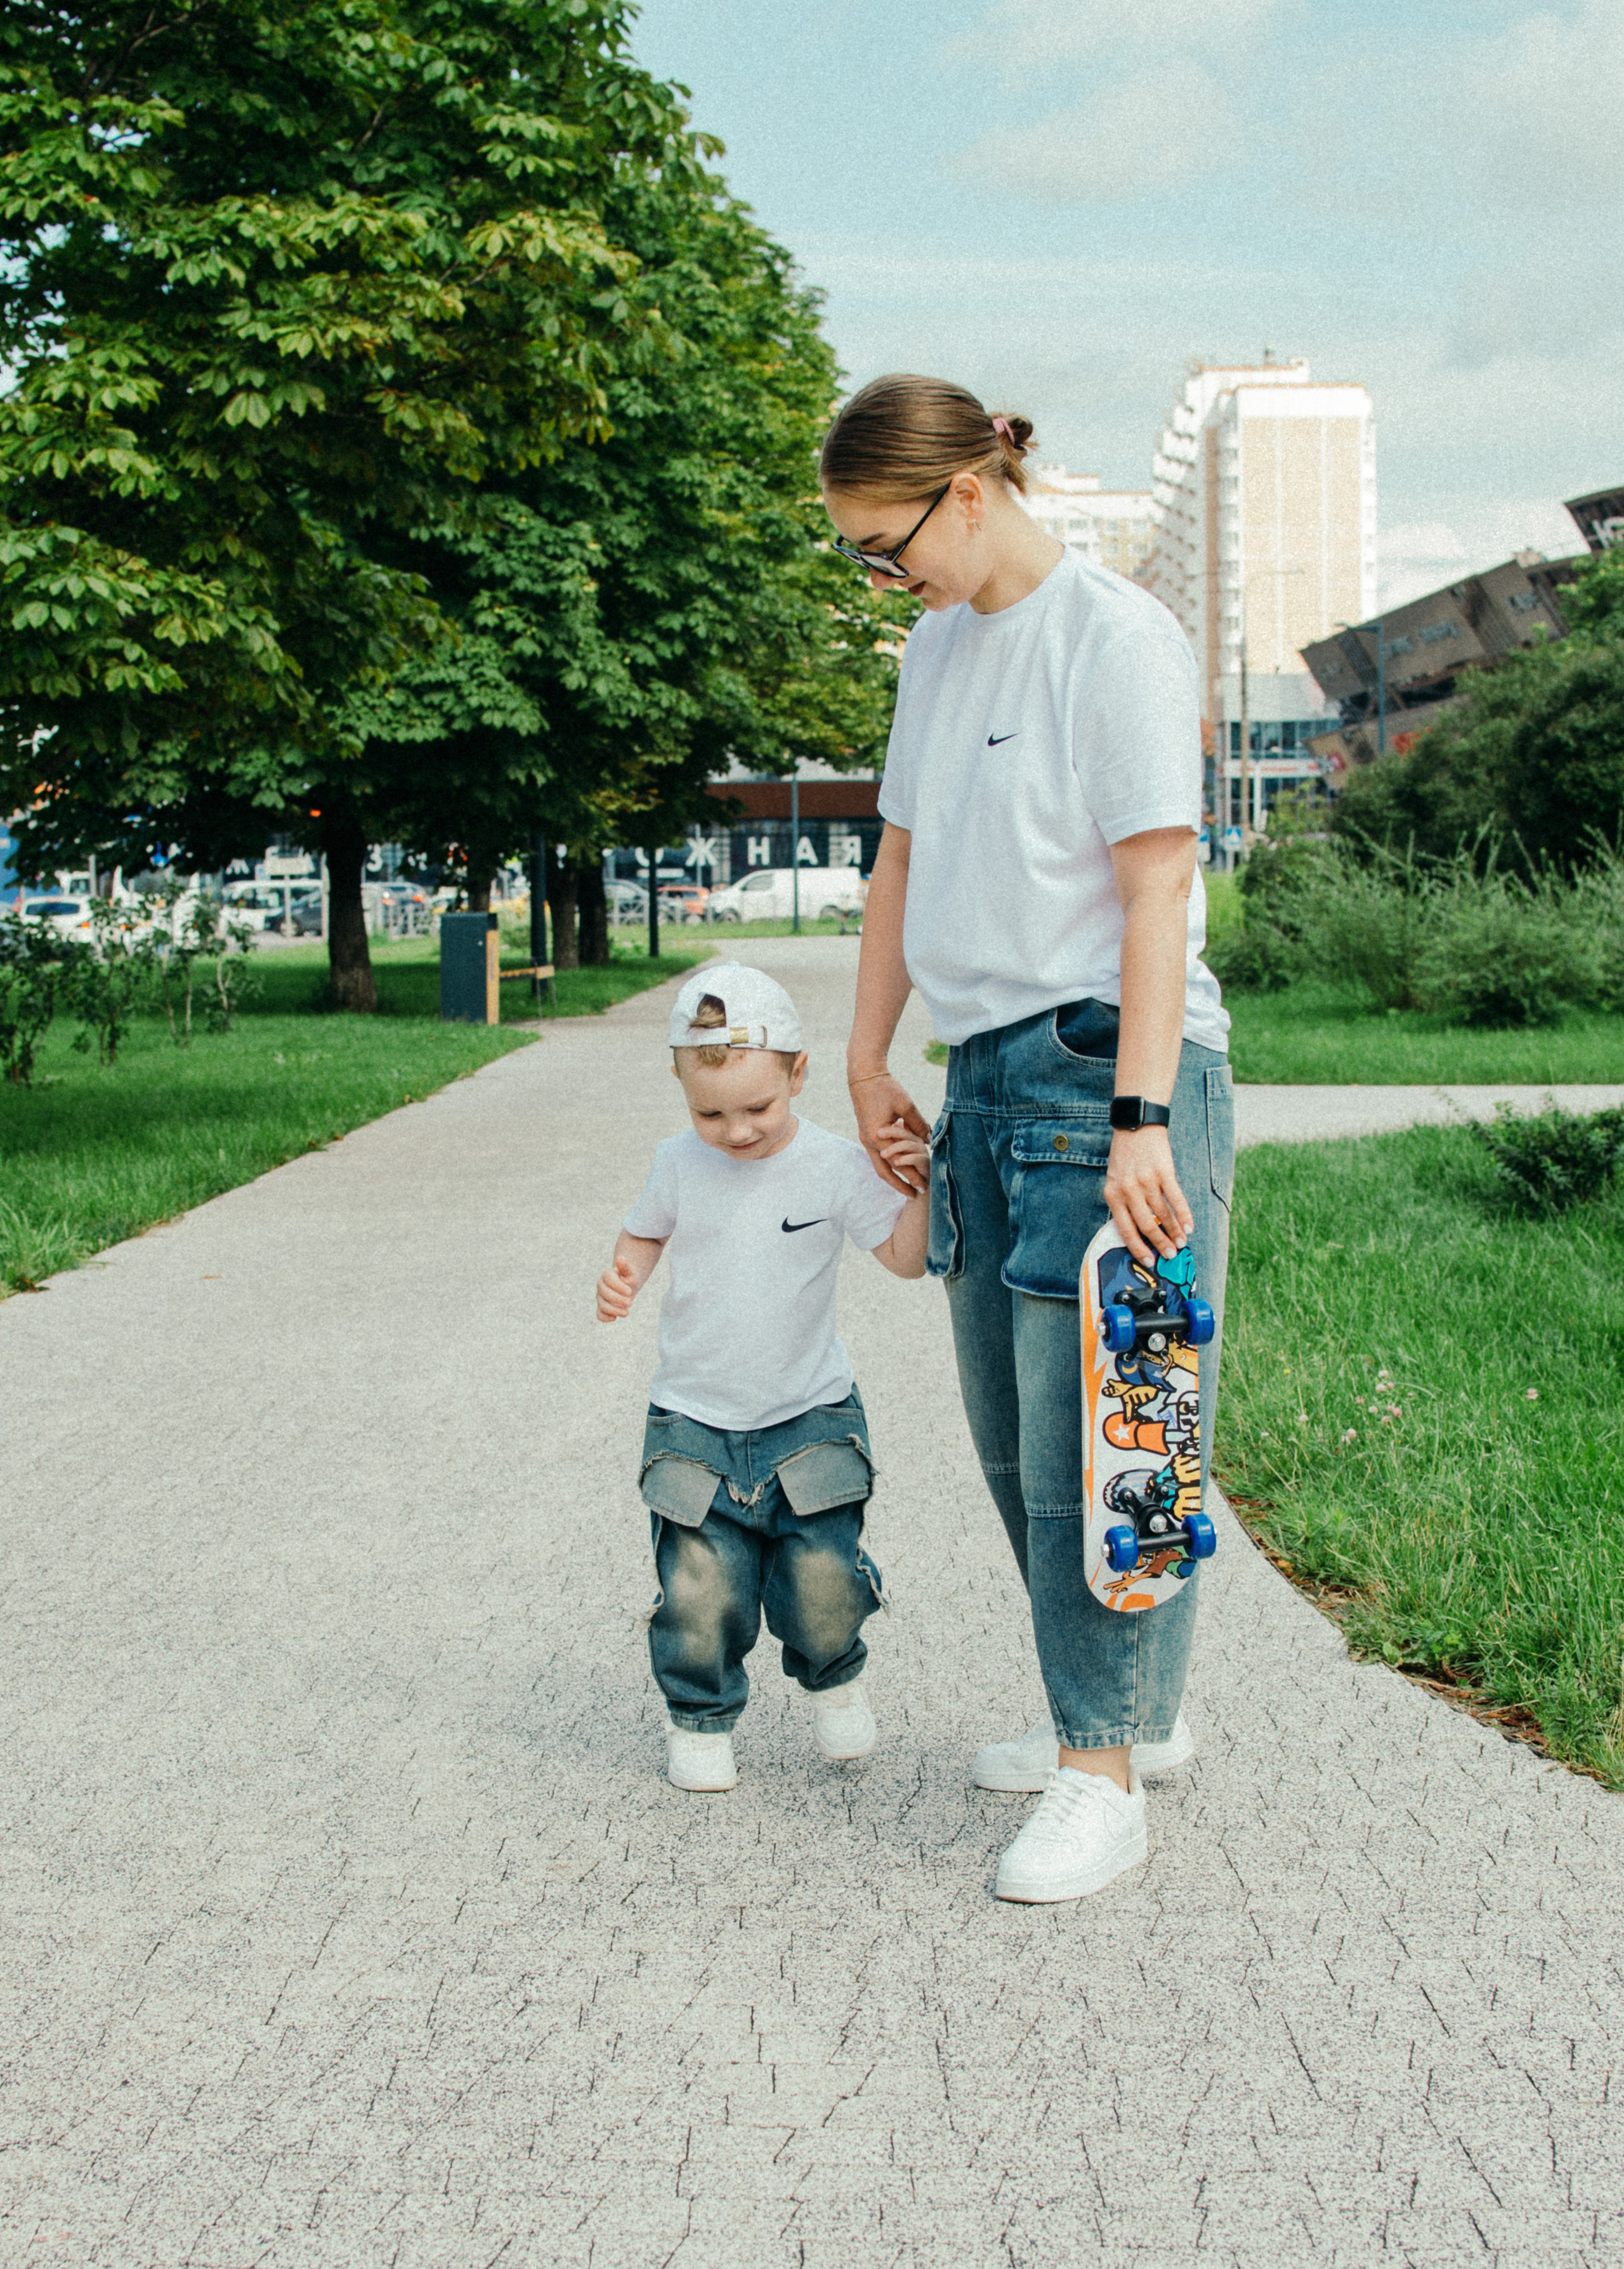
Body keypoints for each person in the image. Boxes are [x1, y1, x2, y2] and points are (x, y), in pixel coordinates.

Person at [821, 374, 1234, 1904]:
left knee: (1106, 1437)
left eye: (886, 543)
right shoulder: (936, 651)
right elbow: (899, 863)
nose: (881, 575)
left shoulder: (1111, 638)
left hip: (1099, 1067)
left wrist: (1139, 1121)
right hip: (987, 1066)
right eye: (857, 555)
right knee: (1009, 1440)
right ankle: (1128, 1711)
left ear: (971, 490)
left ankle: (1099, 1771)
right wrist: (865, 1058)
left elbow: (1153, 891)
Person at [596, 962, 931, 1792]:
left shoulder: (834, 1166)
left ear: (798, 1073)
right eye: (710, 1111)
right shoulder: (678, 1162)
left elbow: (904, 1259)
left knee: (820, 1581)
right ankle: (701, 1721)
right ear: (681, 1088)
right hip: (693, 1421)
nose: (737, 1131)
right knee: (699, 1591)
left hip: (808, 1417)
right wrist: (624, 1274)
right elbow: (645, 1233)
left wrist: (920, 1188)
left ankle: (836, 1669)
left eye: (758, 1108)